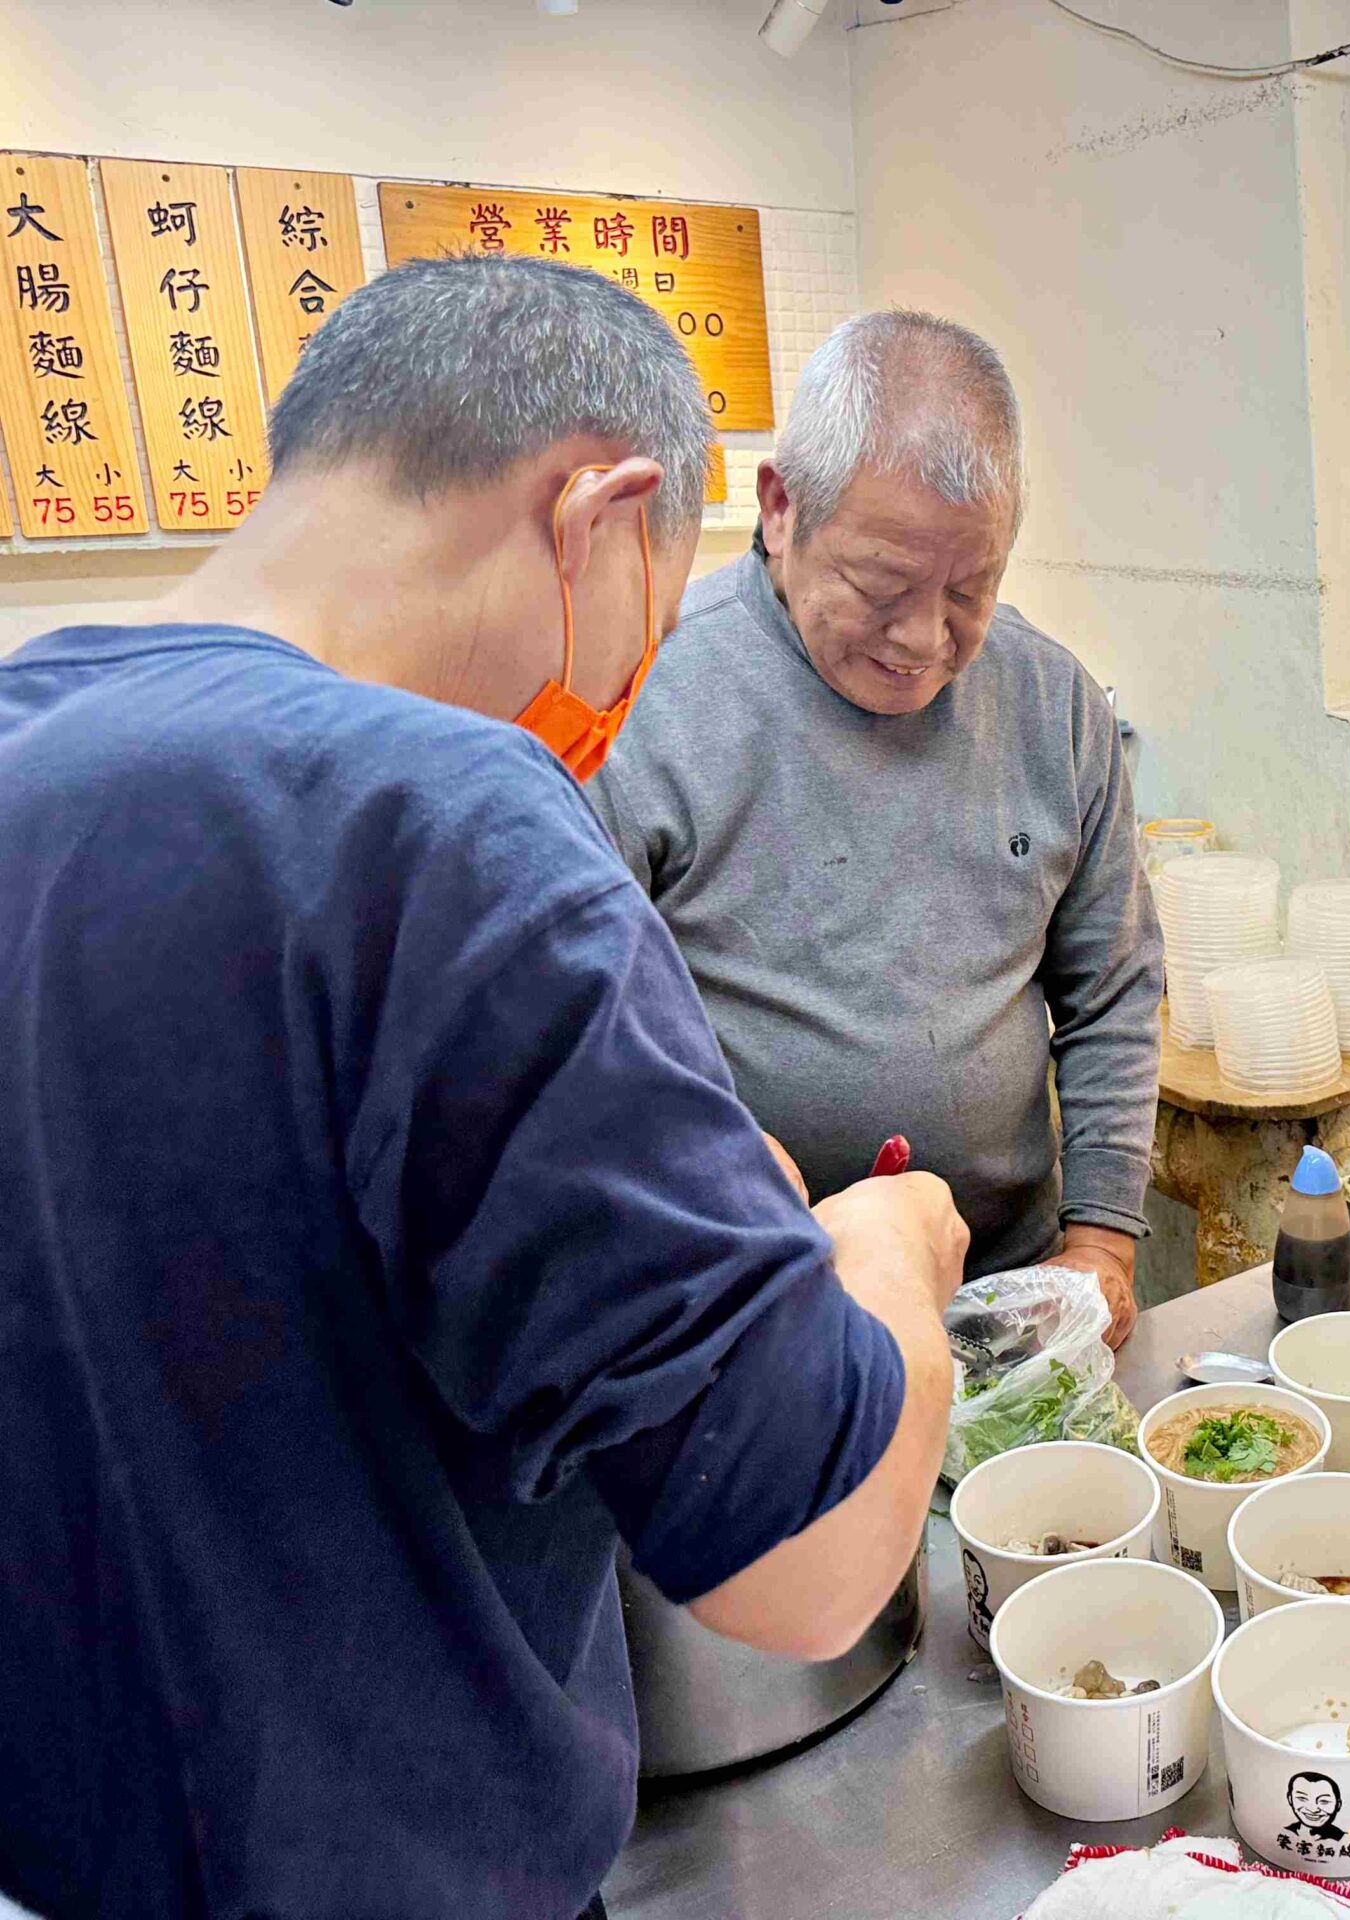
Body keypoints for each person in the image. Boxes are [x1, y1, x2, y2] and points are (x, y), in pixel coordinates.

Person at [0, 256, 969, 1920]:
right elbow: (805, 1568)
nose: (604, 725)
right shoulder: (445, 816)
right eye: (644, 641)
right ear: (600, 513)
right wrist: (888, 1256)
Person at [592, 310, 1161, 1347]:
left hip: (1010, 1295)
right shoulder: (644, 705)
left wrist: (1100, 1245)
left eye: (970, 589)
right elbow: (575, 1035)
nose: (923, 638)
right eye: (881, 585)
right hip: (747, 1301)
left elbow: (1111, 990)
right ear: (779, 508)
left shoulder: (1051, 702)